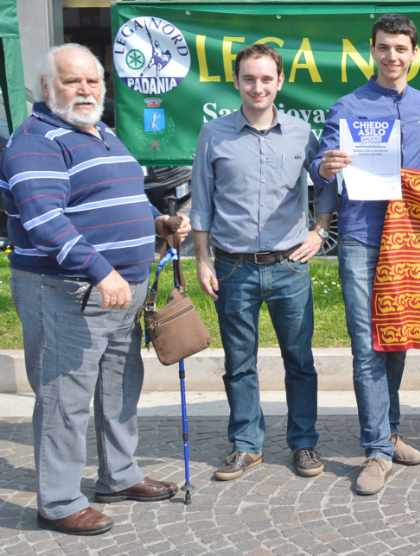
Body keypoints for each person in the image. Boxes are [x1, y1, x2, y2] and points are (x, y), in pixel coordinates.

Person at [1, 43, 189, 535]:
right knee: (64, 398)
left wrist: (157, 222)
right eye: (72, 81)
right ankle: (59, 501)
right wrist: (100, 270)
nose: (85, 90)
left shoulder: (102, 133)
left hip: (120, 290)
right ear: (47, 87)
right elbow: (44, 219)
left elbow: (124, 196)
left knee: (119, 388)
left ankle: (119, 475)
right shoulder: (35, 140)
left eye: (93, 80)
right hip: (67, 289)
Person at [310, 14, 420, 496]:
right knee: (367, 344)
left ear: (415, 54)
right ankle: (376, 450)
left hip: (407, 241)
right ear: (372, 50)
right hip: (361, 238)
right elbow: (322, 165)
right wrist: (325, 167)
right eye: (385, 47)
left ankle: (389, 431)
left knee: (397, 340)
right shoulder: (347, 106)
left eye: (401, 48)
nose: (393, 56)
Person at [190, 44, 331, 482]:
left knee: (299, 360)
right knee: (239, 362)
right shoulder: (213, 135)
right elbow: (202, 201)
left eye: (267, 79)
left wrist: (320, 230)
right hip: (233, 268)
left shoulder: (301, 134)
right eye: (249, 79)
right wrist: (202, 259)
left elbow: (327, 182)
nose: (258, 87)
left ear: (280, 82)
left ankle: (303, 442)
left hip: (289, 266)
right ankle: (246, 445)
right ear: (236, 82)